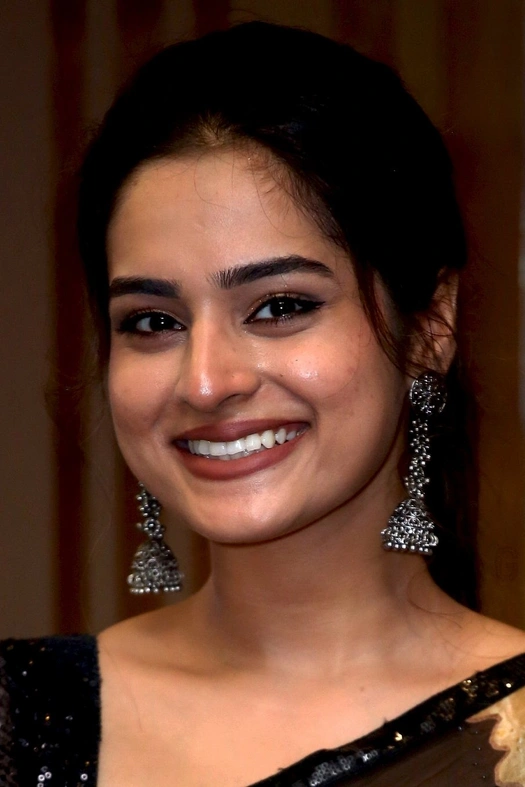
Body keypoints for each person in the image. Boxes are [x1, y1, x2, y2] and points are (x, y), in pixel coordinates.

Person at [2, 20, 525, 787]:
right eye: (153, 321)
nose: (204, 381)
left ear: (429, 327)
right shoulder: (20, 719)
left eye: (279, 306)